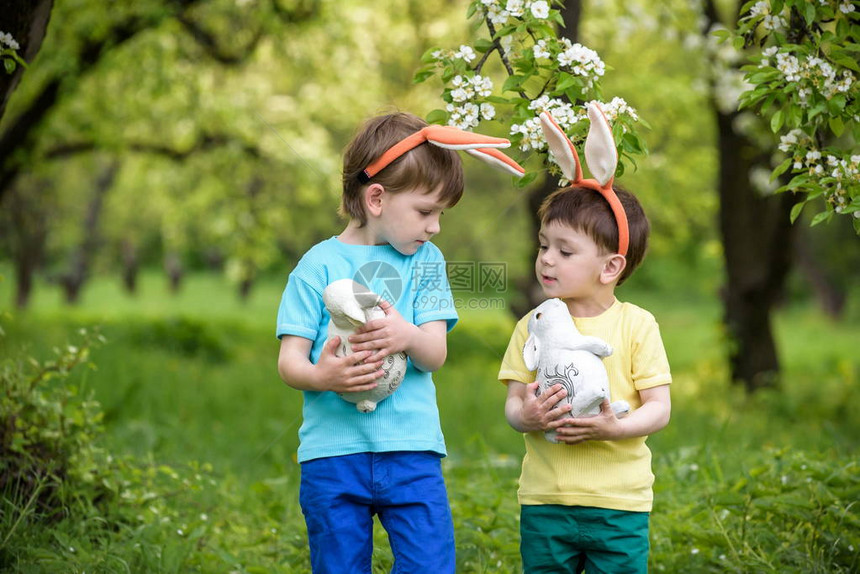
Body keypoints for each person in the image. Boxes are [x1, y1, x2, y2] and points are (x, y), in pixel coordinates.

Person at [276, 111, 522, 573]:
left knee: (429, 563)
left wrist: (405, 335)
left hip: (411, 450)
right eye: (426, 212)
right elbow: (289, 361)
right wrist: (322, 376)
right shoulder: (317, 266)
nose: (435, 227)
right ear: (376, 199)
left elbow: (435, 354)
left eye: (441, 214)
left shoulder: (426, 262)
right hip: (333, 454)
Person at [498, 179, 672, 573]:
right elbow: (513, 400)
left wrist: (615, 429)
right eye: (544, 246)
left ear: (610, 266)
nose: (546, 259)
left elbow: (659, 408)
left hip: (618, 504)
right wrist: (525, 417)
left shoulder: (636, 325)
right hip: (546, 500)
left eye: (565, 251)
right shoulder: (533, 324)